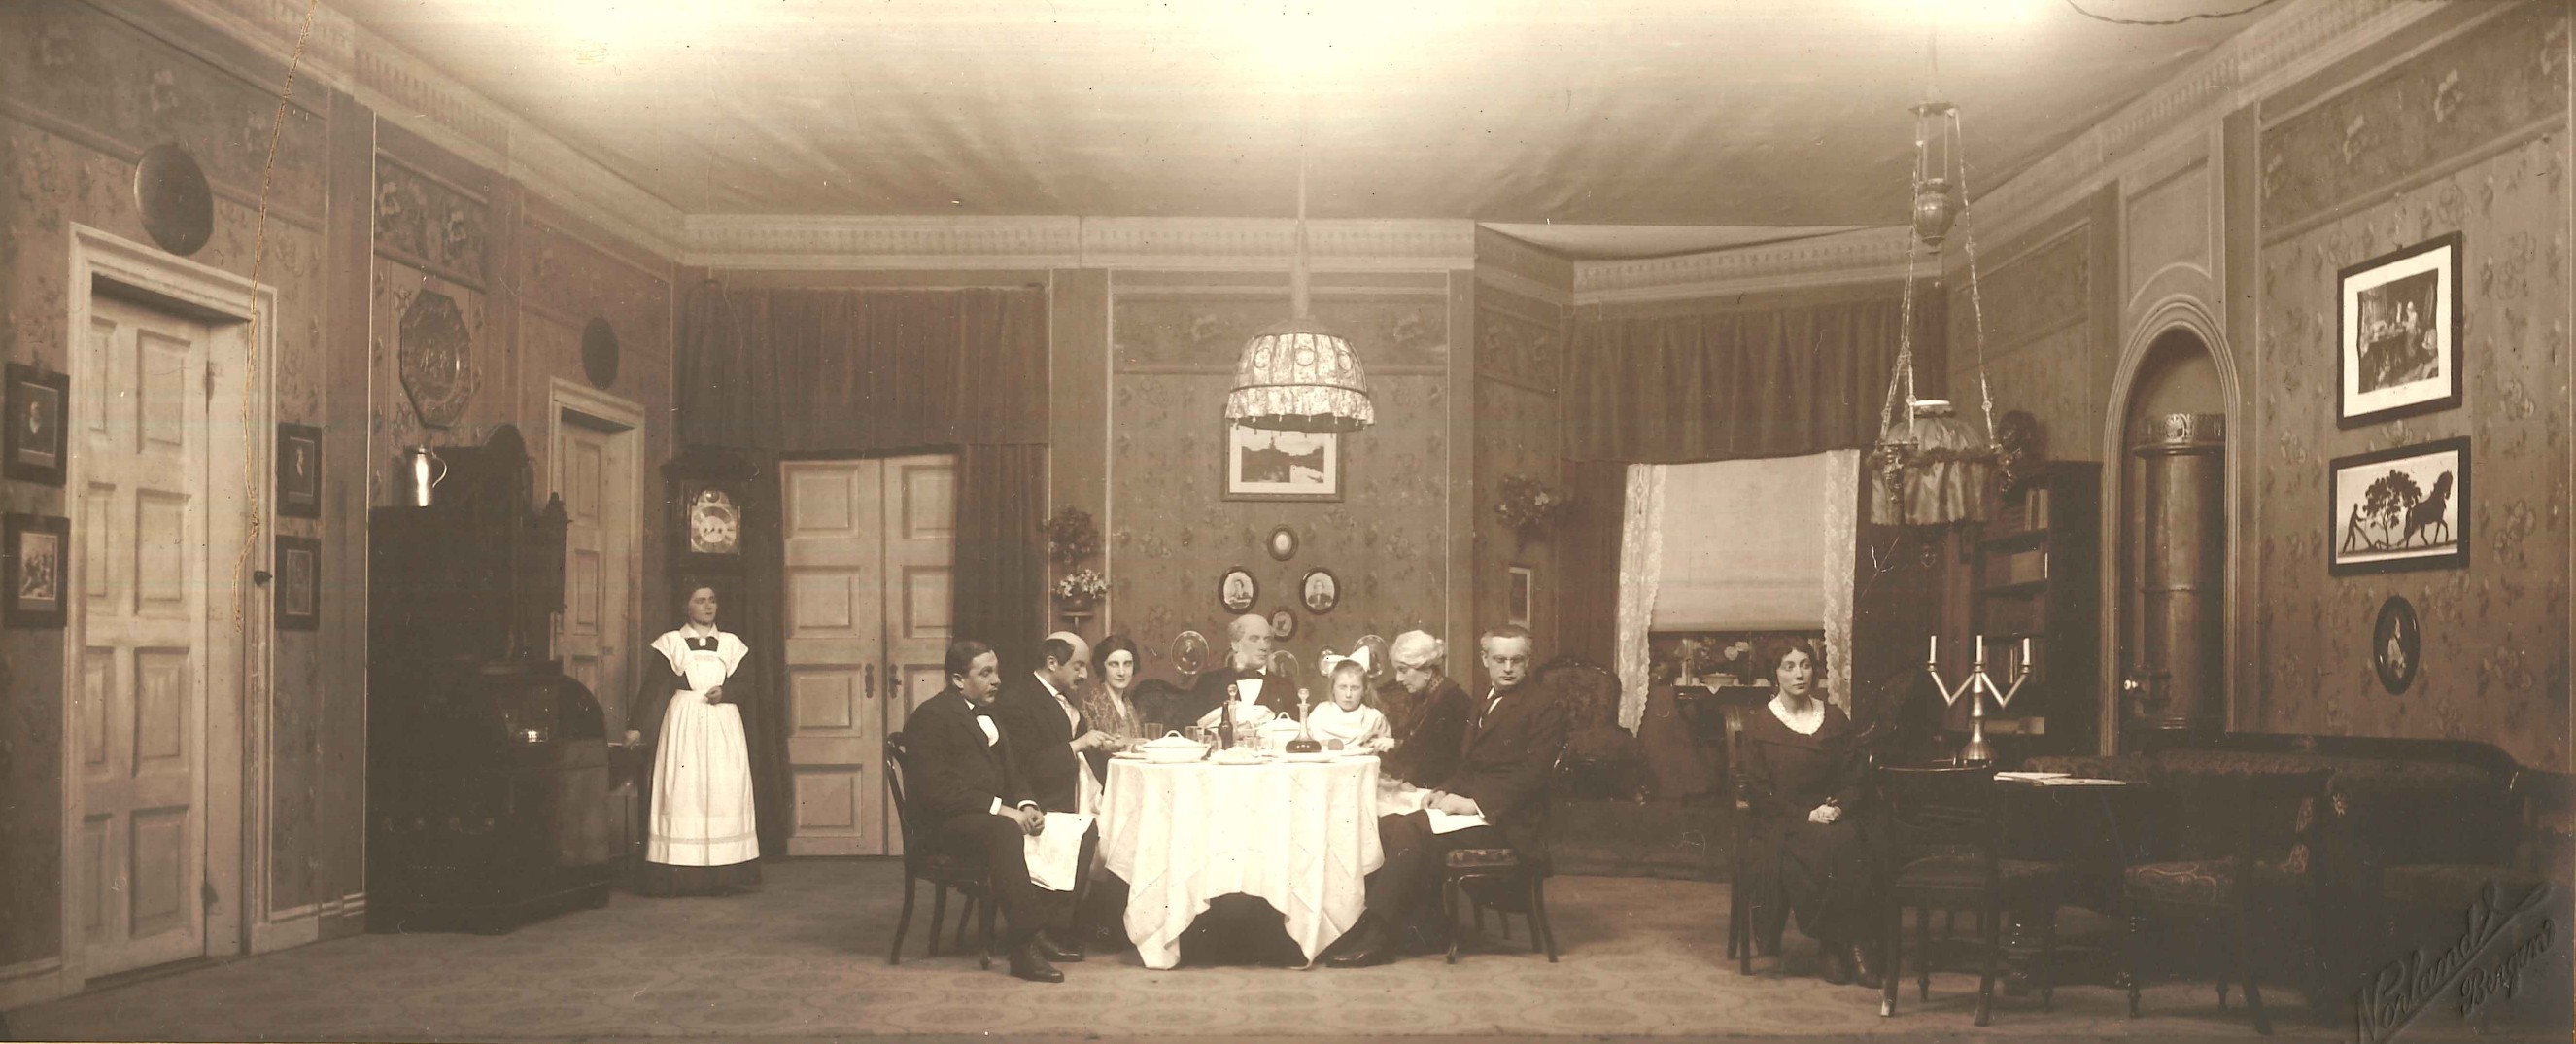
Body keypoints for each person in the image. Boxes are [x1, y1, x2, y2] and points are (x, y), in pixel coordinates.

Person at [1328, 625, 1565, 967]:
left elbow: (1533, 775)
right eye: (1500, 659)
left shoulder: (1543, 705)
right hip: (1482, 814)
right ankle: (1405, 926)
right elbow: (1469, 764)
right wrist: (1445, 790)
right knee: (1387, 826)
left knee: (1412, 829)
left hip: (1510, 822)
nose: (1508, 668)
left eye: (1516, 660)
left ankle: (1380, 935)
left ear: (1527, 661)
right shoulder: (1486, 698)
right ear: (1485, 659)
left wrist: (1473, 804)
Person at [901, 640, 1078, 982]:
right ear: (958, 679)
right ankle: (1023, 947)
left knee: (1075, 826)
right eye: (985, 673)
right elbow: (938, 791)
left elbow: (1014, 772)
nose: (996, 680)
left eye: (996, 671)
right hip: (943, 826)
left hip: (981, 817)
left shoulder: (990, 712)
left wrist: (1026, 804)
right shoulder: (931, 717)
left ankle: (1045, 930)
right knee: (1005, 831)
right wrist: (1003, 811)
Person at [1736, 637, 1882, 988]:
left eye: (1805, 665)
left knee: (1856, 839)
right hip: (1784, 820)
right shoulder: (1760, 724)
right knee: (1825, 846)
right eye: (1789, 667)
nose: (1799, 674)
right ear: (1775, 674)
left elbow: (1855, 777)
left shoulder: (1833, 717)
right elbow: (1758, 791)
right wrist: (1806, 815)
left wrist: (1838, 806)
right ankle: (1834, 945)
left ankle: (1852, 945)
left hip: (1832, 814)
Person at [626, 584, 763, 895]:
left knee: (722, 791)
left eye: (712, 600)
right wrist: (635, 726)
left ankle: (723, 875)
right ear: (686, 606)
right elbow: (652, 687)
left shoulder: (731, 644)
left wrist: (726, 692)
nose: (708, 606)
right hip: (685, 722)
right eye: (700, 601)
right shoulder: (671, 643)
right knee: (685, 792)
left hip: (722, 723)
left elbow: (748, 684)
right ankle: (681, 875)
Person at [1379, 629, 1470, 787]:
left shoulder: (1454, 702)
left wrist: (1396, 745)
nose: (1399, 679)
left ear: (1426, 669)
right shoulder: (1426, 697)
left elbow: (1441, 761)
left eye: (1403, 670)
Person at [1185, 614, 1301, 726]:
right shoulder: (1208, 684)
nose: (1264, 647)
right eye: (1254, 639)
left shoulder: (1286, 687)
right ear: (1235, 645)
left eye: (1267, 640)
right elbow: (1191, 731)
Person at [1080, 634, 1148, 779]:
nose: (1122, 672)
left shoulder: (1128, 703)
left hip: (1132, 776)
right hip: (1104, 780)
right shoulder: (1091, 702)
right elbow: (1095, 750)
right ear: (1102, 667)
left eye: (1127, 664)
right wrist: (1130, 742)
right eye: (1114, 664)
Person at [1307, 652, 1391, 752]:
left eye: (1354, 688)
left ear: (1364, 690)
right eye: (1342, 687)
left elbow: (1386, 752)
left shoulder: (1373, 718)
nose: (1348, 694)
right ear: (1333, 688)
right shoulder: (1320, 713)